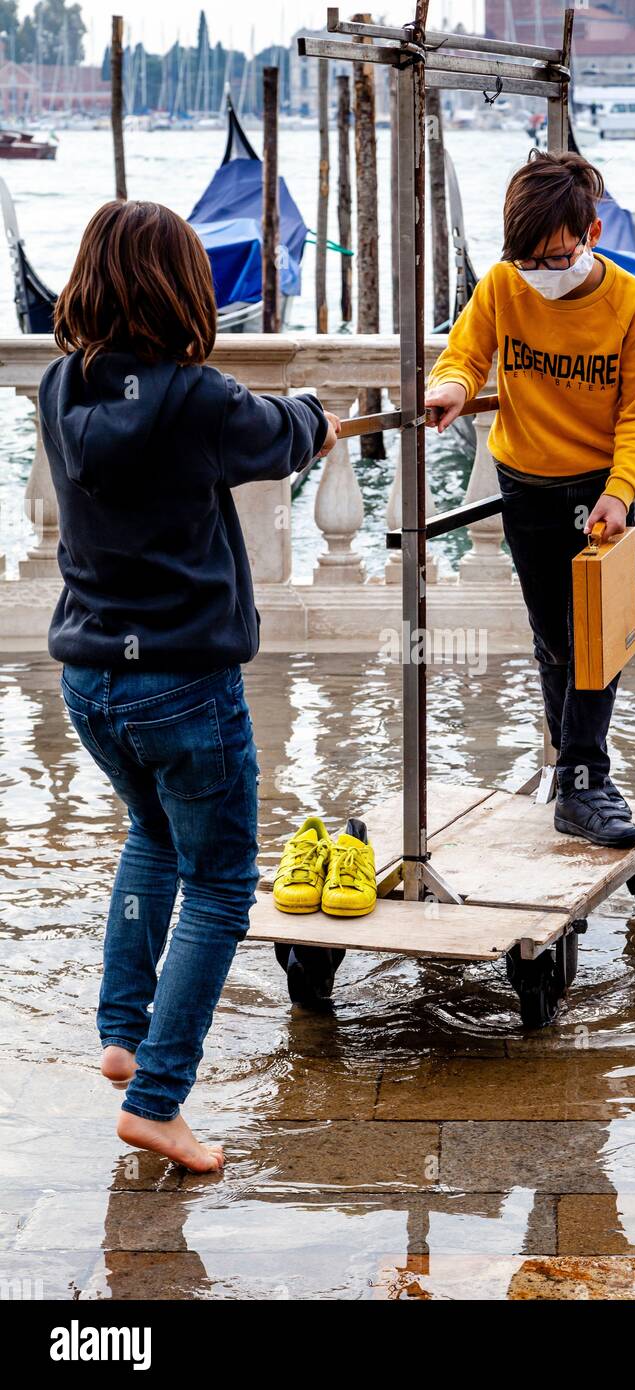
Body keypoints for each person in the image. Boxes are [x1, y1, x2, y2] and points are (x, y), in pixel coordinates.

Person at [40, 199, 339, 1171]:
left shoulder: (56, 388)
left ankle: (124, 1031)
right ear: (181, 291)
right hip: (181, 685)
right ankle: (158, 1096)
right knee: (218, 880)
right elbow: (281, 433)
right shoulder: (196, 399)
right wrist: (319, 422)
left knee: (152, 836)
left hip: (90, 680)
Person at [426, 150, 635, 848]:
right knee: (554, 639)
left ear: (591, 233)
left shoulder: (630, 303)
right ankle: (573, 775)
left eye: (557, 256)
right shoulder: (505, 285)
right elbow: (465, 354)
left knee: (596, 638)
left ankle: (586, 779)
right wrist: (452, 388)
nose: (543, 274)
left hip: (595, 486)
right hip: (522, 482)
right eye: (530, 260)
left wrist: (620, 493)